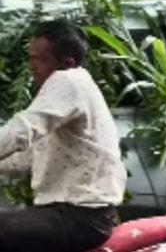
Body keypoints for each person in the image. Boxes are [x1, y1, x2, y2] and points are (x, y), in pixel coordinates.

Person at [0, 21, 127, 252]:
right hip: (69, 215)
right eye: (30, 57)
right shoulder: (68, 97)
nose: (31, 66)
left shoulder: (69, 79)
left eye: (39, 59)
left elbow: (22, 129)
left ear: (66, 62)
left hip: (80, 217)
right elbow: (26, 157)